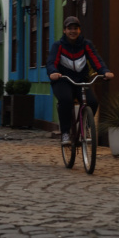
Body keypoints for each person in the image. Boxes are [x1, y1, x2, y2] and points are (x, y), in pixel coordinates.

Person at [46, 16, 114, 146]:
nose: (73, 31)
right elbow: (51, 62)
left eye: (75, 28)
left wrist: (104, 71)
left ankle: (86, 127)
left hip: (81, 80)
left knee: (93, 102)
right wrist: (53, 72)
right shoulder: (58, 46)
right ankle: (65, 132)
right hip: (63, 80)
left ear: (80, 30)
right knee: (66, 100)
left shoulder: (85, 44)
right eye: (69, 28)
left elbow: (96, 59)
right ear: (64, 31)